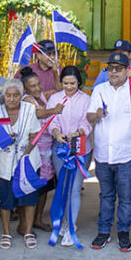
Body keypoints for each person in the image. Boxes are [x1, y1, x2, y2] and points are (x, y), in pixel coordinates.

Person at [87, 52, 131, 251]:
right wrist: (96, 115)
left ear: (127, 70)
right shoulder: (99, 89)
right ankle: (104, 231)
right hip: (104, 154)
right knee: (106, 196)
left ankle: (123, 232)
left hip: (126, 155)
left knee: (124, 197)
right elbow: (89, 116)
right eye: (110, 68)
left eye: (118, 69)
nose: (113, 72)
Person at [47, 65, 93, 247]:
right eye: (65, 83)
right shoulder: (55, 99)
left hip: (81, 149)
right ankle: (64, 222)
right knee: (63, 187)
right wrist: (57, 133)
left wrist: (79, 132)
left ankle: (71, 227)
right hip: (61, 149)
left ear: (79, 82)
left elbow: (87, 121)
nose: (69, 87)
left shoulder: (86, 100)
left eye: (72, 83)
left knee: (74, 188)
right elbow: (51, 120)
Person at [0, 80, 42, 250]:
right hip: (5, 162)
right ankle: (6, 232)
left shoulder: (29, 109)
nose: (12, 99)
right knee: (6, 200)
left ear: (21, 96)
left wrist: (27, 151)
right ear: (4, 96)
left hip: (28, 160)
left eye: (16, 95)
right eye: (8, 95)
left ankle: (28, 231)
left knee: (29, 198)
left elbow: (35, 134)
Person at [20, 66, 61, 231]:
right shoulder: (27, 100)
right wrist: (54, 110)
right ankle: (24, 224)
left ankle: (37, 219)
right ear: (25, 88)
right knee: (30, 187)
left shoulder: (43, 96)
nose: (37, 88)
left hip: (47, 150)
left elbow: (58, 89)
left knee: (45, 186)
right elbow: (39, 114)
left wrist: (55, 73)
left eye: (38, 84)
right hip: (34, 151)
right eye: (33, 86)